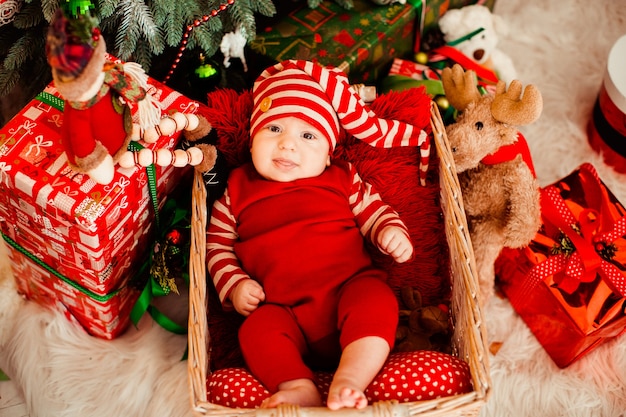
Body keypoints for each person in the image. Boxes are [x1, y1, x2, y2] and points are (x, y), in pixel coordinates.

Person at [206, 60, 429, 409]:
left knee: (377, 299)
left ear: (327, 155)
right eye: (274, 129)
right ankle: (298, 386)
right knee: (255, 329)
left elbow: (374, 211)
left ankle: (351, 377)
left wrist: (389, 231)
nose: (288, 145)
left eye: (307, 136)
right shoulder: (237, 189)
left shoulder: (341, 178)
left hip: (348, 290)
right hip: (281, 310)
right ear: (252, 142)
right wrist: (234, 285)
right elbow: (216, 246)